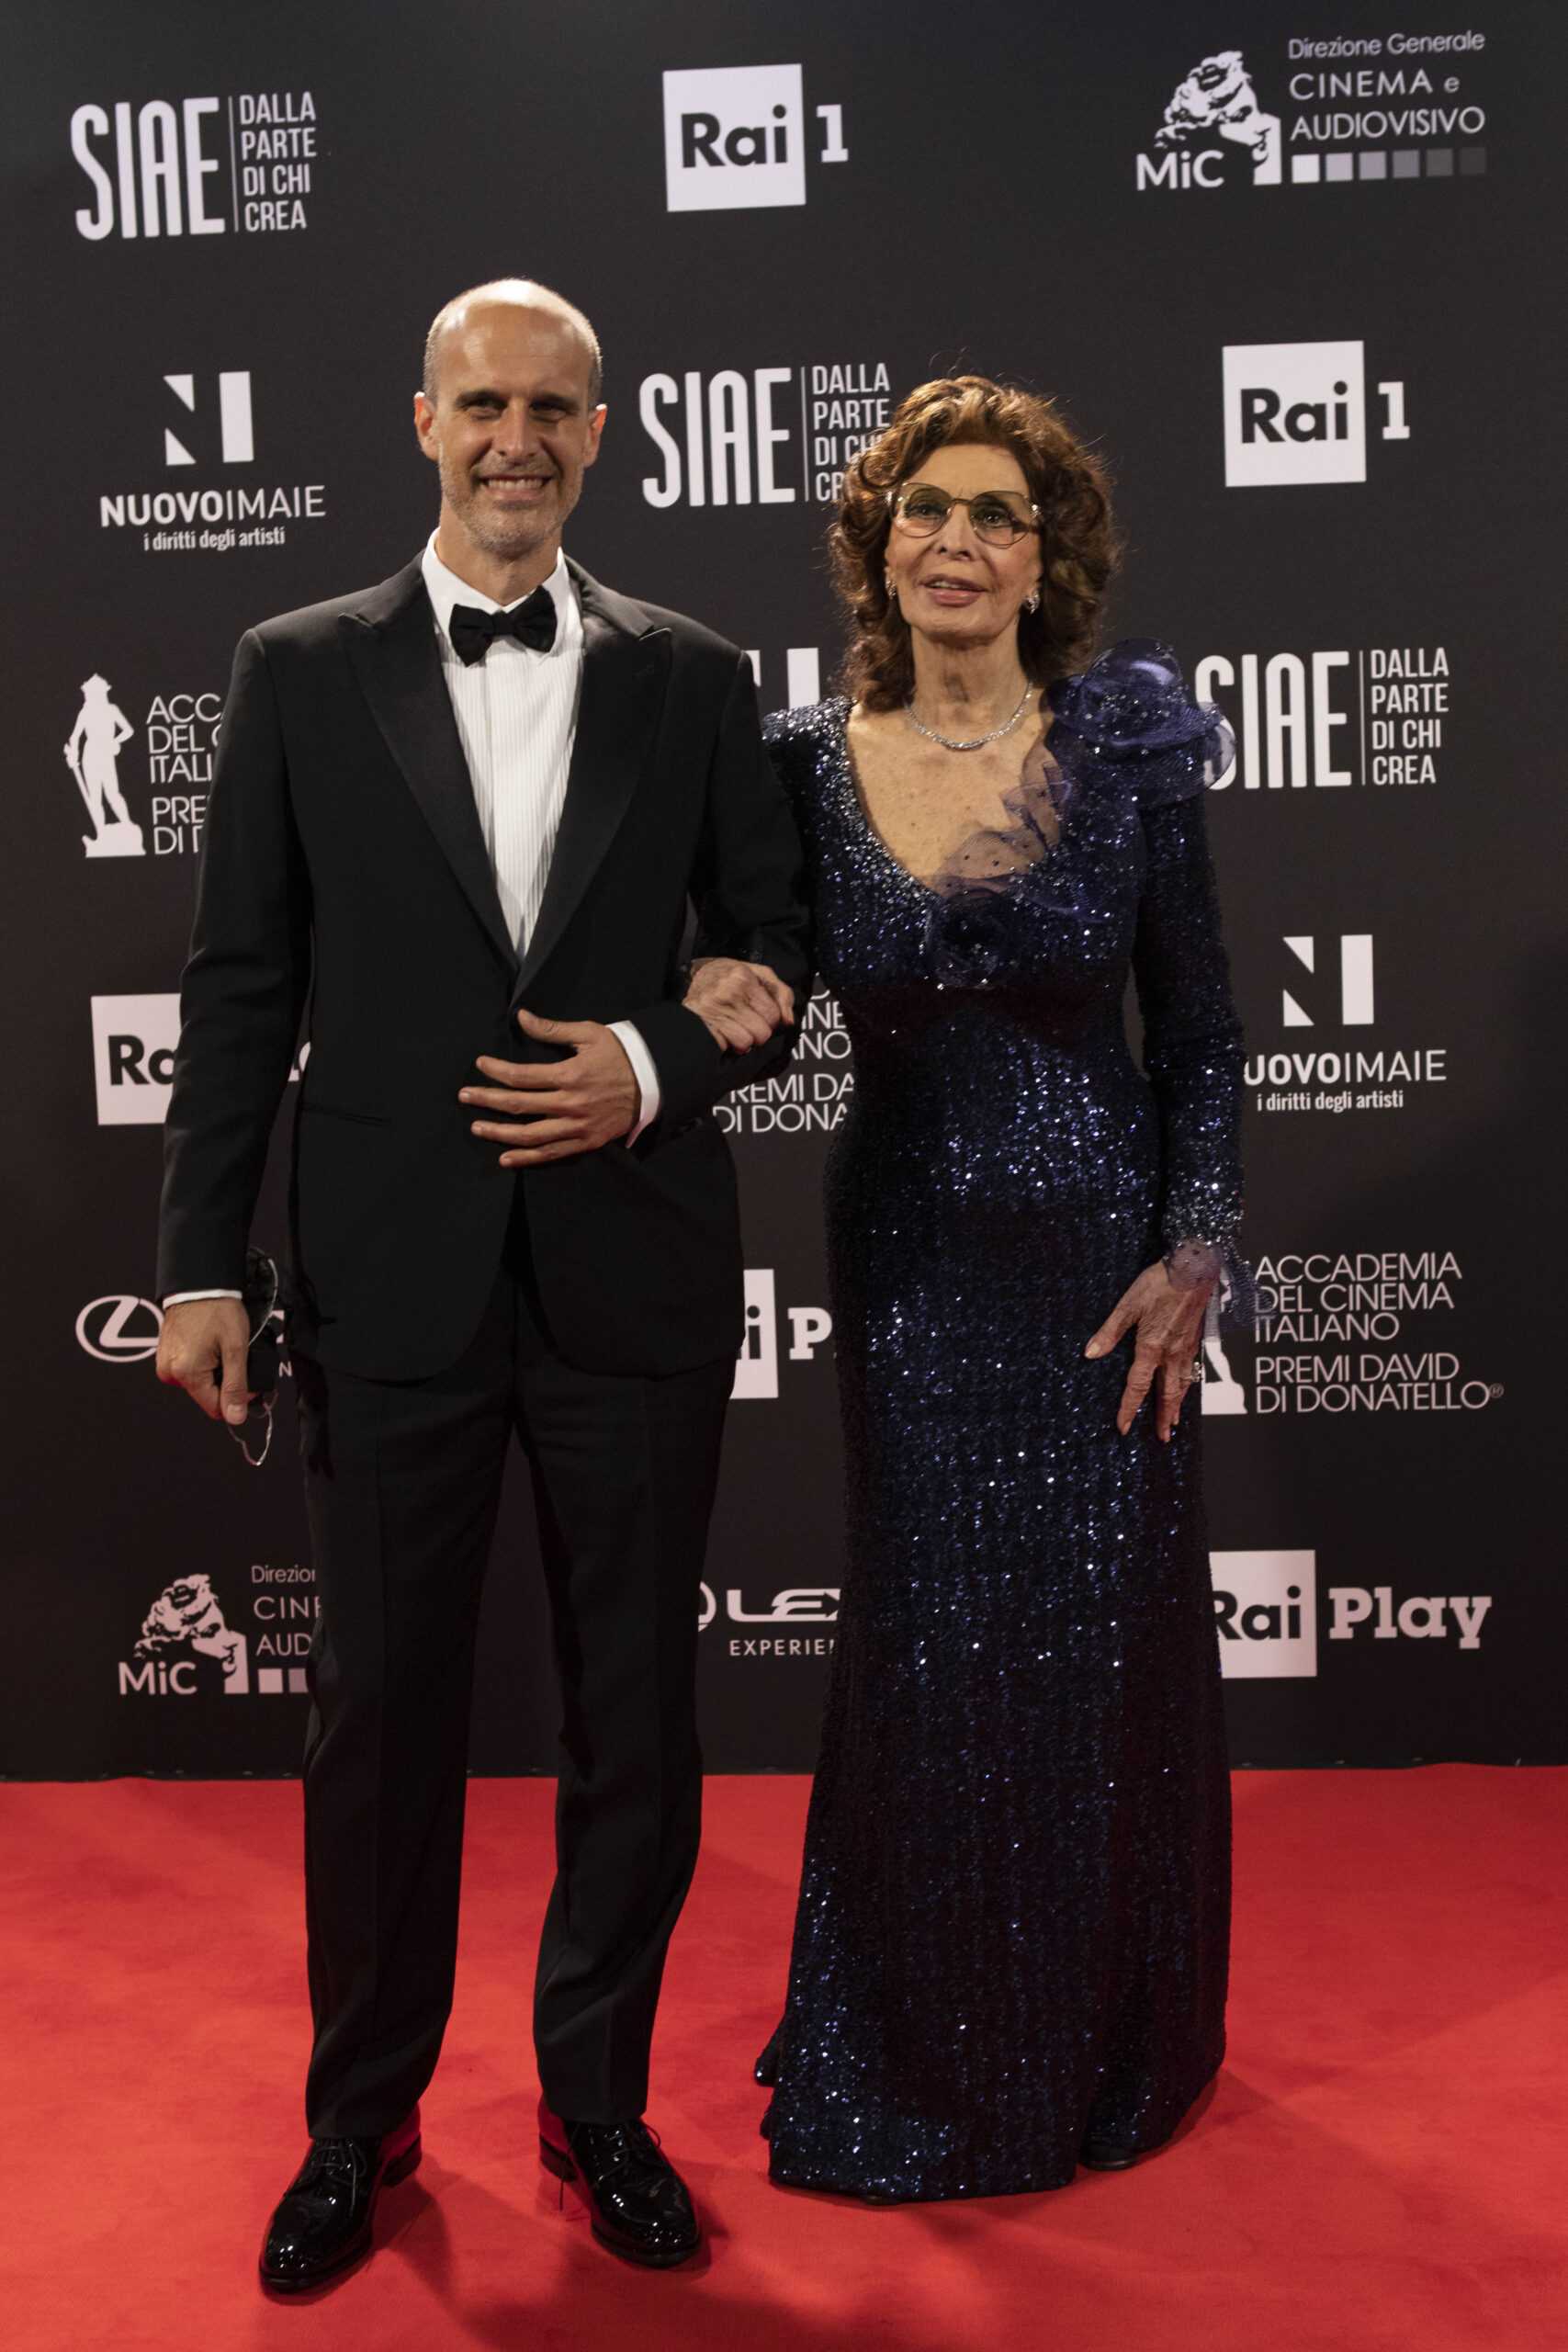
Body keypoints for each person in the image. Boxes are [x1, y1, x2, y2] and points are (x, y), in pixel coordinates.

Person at [154, 278, 808, 2286]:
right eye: (481, 404)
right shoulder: (295, 664)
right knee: (376, 1720)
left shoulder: (693, 676)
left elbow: (777, 954)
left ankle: (594, 2099)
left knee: (634, 1710)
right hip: (383, 1278)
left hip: (633, 1280)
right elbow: (240, 980)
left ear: (599, 432)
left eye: (553, 406)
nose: (516, 436)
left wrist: (648, 1061)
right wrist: (197, 1260)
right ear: (419, 421)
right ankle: (359, 2123)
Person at [757, 376, 1244, 2200]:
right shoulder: (802, 764)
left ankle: (1104, 2036)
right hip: (903, 1270)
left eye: (994, 513)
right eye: (922, 508)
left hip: (1099, 1280)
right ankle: (910, 2040)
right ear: (879, 545)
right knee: (926, 1660)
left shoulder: (1120, 745)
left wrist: (1193, 1247)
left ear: (1050, 558)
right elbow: (742, 971)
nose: (954, 539)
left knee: (1089, 1669)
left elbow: (1193, 1029)